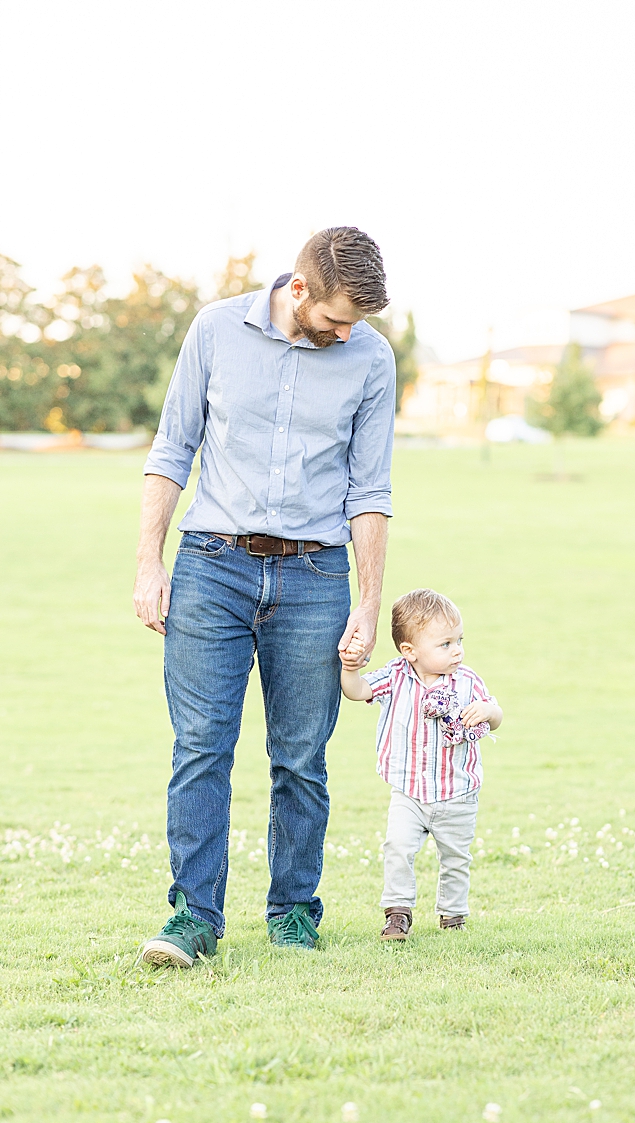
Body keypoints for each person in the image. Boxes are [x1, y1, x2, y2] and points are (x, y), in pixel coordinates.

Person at [134, 227, 396, 966]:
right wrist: (149, 562)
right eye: (338, 319)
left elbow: (369, 489)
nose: (347, 333)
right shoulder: (215, 329)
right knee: (200, 749)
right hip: (211, 566)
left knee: (301, 758)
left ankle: (292, 915)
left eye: (358, 323)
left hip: (316, 578)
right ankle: (193, 918)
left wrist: (369, 601)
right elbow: (171, 448)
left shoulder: (371, 357)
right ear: (300, 289)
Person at [339, 588, 502, 940]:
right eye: (445, 644)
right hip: (408, 792)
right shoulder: (396, 676)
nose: (457, 649)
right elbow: (358, 690)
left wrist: (487, 712)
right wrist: (350, 669)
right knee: (397, 848)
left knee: (456, 858)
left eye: (459, 640)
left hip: (456, 791)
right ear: (409, 651)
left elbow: (497, 714)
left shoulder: (467, 681)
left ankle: (453, 915)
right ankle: (397, 913)